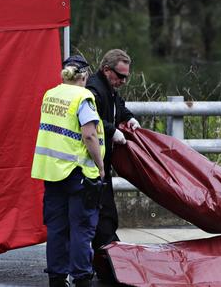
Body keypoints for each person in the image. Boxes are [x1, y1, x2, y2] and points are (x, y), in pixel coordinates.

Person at [31, 55, 106, 287]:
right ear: (84, 75)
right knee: (82, 229)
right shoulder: (84, 97)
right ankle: (82, 278)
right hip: (78, 171)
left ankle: (56, 278)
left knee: (56, 228)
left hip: (52, 172)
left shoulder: (50, 94)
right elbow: (89, 134)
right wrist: (101, 166)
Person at [85, 49, 140, 278]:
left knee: (106, 216)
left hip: (102, 164)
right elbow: (92, 122)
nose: (123, 81)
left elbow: (119, 105)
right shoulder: (95, 90)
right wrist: (112, 131)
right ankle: (108, 267)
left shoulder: (110, 88)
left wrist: (128, 118)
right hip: (91, 165)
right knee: (103, 217)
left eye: (126, 77)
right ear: (106, 70)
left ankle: (107, 264)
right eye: (120, 76)